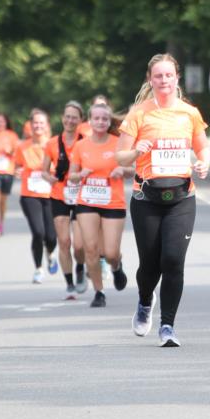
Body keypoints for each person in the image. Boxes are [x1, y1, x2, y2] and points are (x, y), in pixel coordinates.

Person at [115, 53, 210, 347]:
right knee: (150, 266)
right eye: (158, 75)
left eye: (169, 75)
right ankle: (145, 300)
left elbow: (202, 148)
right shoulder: (139, 114)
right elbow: (120, 156)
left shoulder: (189, 113)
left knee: (173, 260)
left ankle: (167, 326)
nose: (164, 80)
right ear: (150, 79)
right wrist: (136, 151)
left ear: (176, 78)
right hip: (147, 198)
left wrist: (204, 163)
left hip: (182, 197)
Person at [67, 103, 133, 309]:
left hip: (113, 202)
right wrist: (80, 175)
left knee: (110, 253)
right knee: (91, 249)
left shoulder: (118, 143)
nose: (100, 122)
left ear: (109, 121)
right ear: (90, 121)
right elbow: (71, 176)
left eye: (104, 119)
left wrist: (122, 171)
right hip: (87, 201)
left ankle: (116, 266)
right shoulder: (81, 145)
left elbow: (132, 169)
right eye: (96, 118)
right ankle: (99, 292)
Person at [42, 102, 87, 298]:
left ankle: (80, 266)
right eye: (67, 116)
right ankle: (69, 283)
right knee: (64, 241)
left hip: (80, 196)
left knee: (79, 245)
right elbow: (44, 170)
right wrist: (49, 178)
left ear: (80, 120)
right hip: (59, 195)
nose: (70, 120)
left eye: (74, 117)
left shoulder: (85, 142)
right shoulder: (52, 143)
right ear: (62, 118)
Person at [14, 108, 58, 284]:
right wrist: (17, 171)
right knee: (38, 232)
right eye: (35, 123)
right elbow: (17, 166)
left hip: (51, 195)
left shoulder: (54, 145)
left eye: (41, 123)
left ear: (47, 125)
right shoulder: (22, 147)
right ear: (30, 126)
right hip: (30, 195)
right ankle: (38, 269)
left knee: (51, 237)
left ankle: (50, 252)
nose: (38, 126)